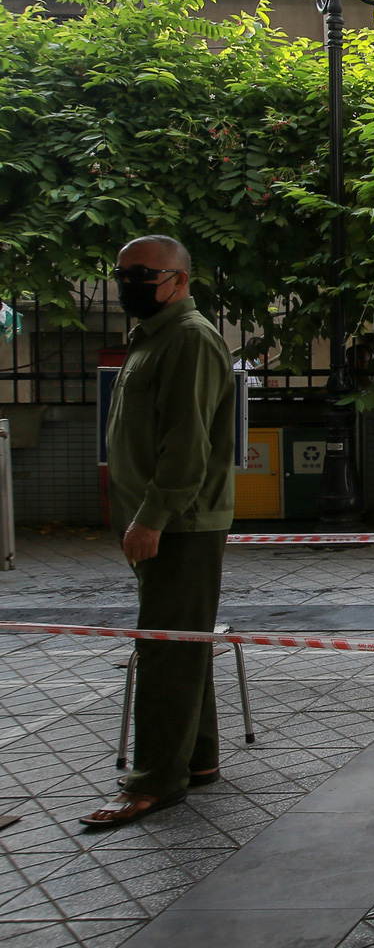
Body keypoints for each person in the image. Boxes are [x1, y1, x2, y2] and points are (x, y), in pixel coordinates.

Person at [80, 236, 236, 830]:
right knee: (181, 640)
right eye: (122, 273)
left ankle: (153, 781)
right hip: (163, 521)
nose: (129, 284)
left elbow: (186, 447)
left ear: (180, 279)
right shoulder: (156, 339)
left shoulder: (189, 340)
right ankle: (196, 759)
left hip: (180, 523)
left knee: (165, 648)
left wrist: (153, 517)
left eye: (143, 274)